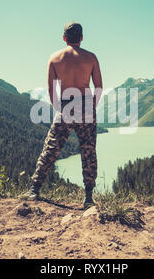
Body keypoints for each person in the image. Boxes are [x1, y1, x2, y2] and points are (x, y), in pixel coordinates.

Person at [21, 22, 103, 209]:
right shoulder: (91, 58)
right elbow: (98, 86)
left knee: (51, 147)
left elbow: (51, 88)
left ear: (64, 38)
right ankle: (88, 197)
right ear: (81, 38)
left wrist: (58, 107)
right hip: (85, 105)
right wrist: (91, 106)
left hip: (65, 105)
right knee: (88, 151)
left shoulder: (55, 58)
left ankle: (34, 189)